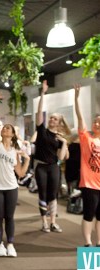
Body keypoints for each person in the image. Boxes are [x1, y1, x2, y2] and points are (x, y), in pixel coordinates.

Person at [0, 94, 30, 257]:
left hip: (11, 187)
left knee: (9, 217)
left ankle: (10, 244)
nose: (5, 129)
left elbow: (20, 173)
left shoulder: (14, 152)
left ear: (12, 134)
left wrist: (27, 161)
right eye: (3, 127)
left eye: (8, 129)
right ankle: (0, 244)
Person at [35, 80, 70, 233]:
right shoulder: (42, 131)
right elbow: (39, 113)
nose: (51, 120)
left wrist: (64, 144)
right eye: (51, 118)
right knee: (42, 193)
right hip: (41, 166)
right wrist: (43, 93)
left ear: (59, 122)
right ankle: (44, 222)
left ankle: (53, 222)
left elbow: (61, 157)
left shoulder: (59, 137)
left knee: (53, 194)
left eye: (55, 119)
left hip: (54, 167)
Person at [74, 84, 100, 247]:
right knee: (89, 214)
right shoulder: (86, 139)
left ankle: (99, 243)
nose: (96, 124)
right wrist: (76, 99)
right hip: (89, 183)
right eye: (95, 122)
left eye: (99, 123)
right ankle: (88, 243)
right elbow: (80, 118)